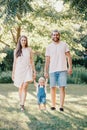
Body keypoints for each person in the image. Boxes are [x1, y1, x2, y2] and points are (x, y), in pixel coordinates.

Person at [44, 30, 72, 111]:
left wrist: (70, 67)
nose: (55, 36)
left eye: (57, 35)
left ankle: (61, 106)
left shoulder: (64, 45)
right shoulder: (49, 47)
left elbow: (69, 57)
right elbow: (47, 60)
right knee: (52, 87)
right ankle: (53, 105)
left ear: (59, 36)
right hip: (52, 70)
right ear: (51, 36)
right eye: (54, 35)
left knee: (62, 87)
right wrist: (45, 71)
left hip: (62, 69)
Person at [12, 35, 36, 111]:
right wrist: (13, 73)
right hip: (19, 70)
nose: (23, 41)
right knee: (20, 86)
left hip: (27, 69)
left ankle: (22, 104)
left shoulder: (29, 49)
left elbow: (32, 61)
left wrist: (34, 71)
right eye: (22, 40)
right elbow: (14, 62)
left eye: (25, 40)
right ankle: (21, 102)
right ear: (20, 41)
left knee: (25, 86)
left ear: (26, 41)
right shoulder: (16, 50)